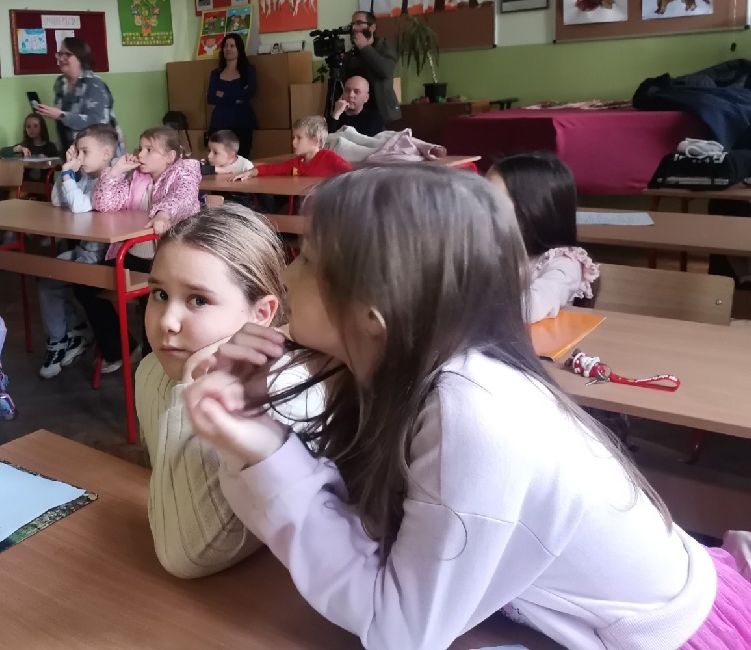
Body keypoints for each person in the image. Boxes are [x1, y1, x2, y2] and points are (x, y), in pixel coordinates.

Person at [184, 165, 751, 650]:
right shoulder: (408, 369)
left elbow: (399, 629)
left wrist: (263, 448)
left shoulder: (476, 417)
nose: (287, 273)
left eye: (307, 259)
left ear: (373, 316)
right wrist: (259, 426)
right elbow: (378, 539)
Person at [137, 203, 324, 579]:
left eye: (198, 300)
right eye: (159, 294)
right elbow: (165, 501)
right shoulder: (153, 372)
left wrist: (192, 387)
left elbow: (185, 557)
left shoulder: (285, 396)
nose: (167, 322)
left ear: (262, 313)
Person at [75, 126, 201, 373]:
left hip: (169, 261)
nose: (140, 154)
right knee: (83, 283)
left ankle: (152, 366)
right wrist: (116, 171)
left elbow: (182, 197)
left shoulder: (185, 171)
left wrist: (163, 214)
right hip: (132, 256)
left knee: (151, 303)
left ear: (170, 156)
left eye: (149, 150)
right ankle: (119, 348)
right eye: (140, 148)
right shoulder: (137, 178)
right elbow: (104, 204)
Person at [37, 124, 120, 379]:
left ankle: (75, 335)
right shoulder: (85, 178)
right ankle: (63, 338)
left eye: (85, 152)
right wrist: (68, 171)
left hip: (102, 258)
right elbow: (58, 201)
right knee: (47, 280)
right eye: (78, 151)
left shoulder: (111, 180)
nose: (80, 157)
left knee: (64, 279)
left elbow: (80, 207)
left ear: (106, 154)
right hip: (83, 253)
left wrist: (67, 175)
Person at [486, 152, 598, 323]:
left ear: (534, 211)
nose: (479, 207)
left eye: (493, 202)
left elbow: (532, 307)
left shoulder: (564, 264)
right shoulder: (495, 250)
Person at [35, 37, 124, 157]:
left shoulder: (93, 83)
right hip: (72, 152)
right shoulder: (60, 83)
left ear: (80, 57)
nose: (61, 58)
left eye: (67, 54)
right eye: (60, 54)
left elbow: (96, 123)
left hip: (101, 155)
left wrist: (61, 115)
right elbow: (62, 120)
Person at [232, 116, 351, 180]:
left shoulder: (328, 157)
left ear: (315, 141)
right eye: (294, 137)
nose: (294, 142)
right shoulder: (297, 162)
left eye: (299, 138)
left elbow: (351, 174)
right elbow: (272, 169)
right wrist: (250, 172)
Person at [341, 11, 401, 125]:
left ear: (372, 27)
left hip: (382, 112)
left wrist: (364, 47)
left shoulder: (385, 48)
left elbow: (386, 70)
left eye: (359, 23)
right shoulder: (350, 55)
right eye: (352, 24)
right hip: (357, 113)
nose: (354, 28)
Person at [206, 33, 258, 159]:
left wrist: (223, 95)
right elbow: (211, 98)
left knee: (241, 156)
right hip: (220, 120)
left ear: (239, 49)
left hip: (242, 119)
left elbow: (249, 93)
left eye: (232, 46)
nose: (228, 49)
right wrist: (236, 97)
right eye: (225, 46)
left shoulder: (248, 71)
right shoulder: (215, 74)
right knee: (219, 156)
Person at [2, 113, 61, 181]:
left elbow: (59, 165)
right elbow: (3, 152)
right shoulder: (24, 146)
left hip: (45, 184)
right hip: (25, 184)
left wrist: (46, 160)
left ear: (42, 127)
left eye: (35, 126)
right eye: (28, 127)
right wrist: (18, 149)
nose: (31, 129)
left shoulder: (50, 146)